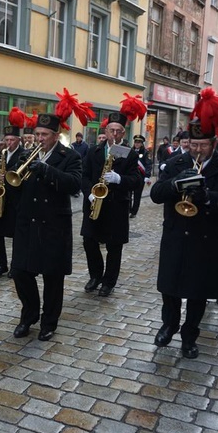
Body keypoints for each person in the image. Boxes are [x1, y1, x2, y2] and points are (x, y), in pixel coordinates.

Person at [150, 102, 218, 359]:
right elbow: (156, 195)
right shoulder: (175, 162)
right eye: (193, 145)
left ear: (214, 143)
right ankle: (168, 325)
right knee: (169, 288)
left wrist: (207, 197)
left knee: (197, 292)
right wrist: (174, 184)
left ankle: (190, 335)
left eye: (202, 146)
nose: (197, 150)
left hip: (208, 239)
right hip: (176, 235)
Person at [10, 89, 86, 341]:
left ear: (56, 136)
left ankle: (49, 321)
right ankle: (29, 314)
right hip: (27, 223)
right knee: (21, 272)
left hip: (54, 225)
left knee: (53, 279)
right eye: (37, 134)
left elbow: (74, 184)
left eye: (45, 135)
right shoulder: (26, 154)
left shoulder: (69, 156)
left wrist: (44, 169)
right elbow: (14, 186)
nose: (39, 139)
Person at [80, 96, 143, 297]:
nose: (114, 134)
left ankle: (109, 281)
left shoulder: (130, 154)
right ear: (105, 131)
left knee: (114, 247)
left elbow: (136, 180)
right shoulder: (93, 150)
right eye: (111, 130)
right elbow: (84, 175)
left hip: (117, 206)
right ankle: (95, 275)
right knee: (89, 241)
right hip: (94, 204)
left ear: (123, 133)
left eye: (118, 131)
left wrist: (119, 179)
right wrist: (90, 193)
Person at [0, 109, 26, 279]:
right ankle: (0, 265)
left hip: (16, 202)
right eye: (7, 140)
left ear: (19, 140)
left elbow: (24, 179)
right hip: (0, 200)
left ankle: (15, 266)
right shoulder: (1, 154)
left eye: (12, 140)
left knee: (17, 238)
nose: (9, 143)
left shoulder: (24, 155)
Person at [130, 134, 152, 218]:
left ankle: (134, 212)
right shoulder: (131, 150)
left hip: (140, 177)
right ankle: (128, 209)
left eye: (139, 142)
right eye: (136, 142)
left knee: (137, 195)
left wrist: (147, 175)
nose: (137, 144)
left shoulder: (145, 152)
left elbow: (148, 164)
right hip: (131, 175)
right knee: (128, 194)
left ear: (142, 143)